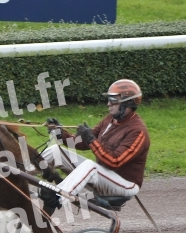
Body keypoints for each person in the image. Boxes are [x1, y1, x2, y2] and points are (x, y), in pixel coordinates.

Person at [39, 79, 150, 215]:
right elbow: (83, 142)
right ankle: (17, 176)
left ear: (127, 102)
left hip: (125, 185)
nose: (108, 103)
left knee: (89, 166)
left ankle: (57, 198)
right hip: (102, 175)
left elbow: (115, 161)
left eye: (113, 99)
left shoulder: (138, 131)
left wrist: (91, 139)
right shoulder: (109, 119)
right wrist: (61, 134)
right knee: (55, 151)